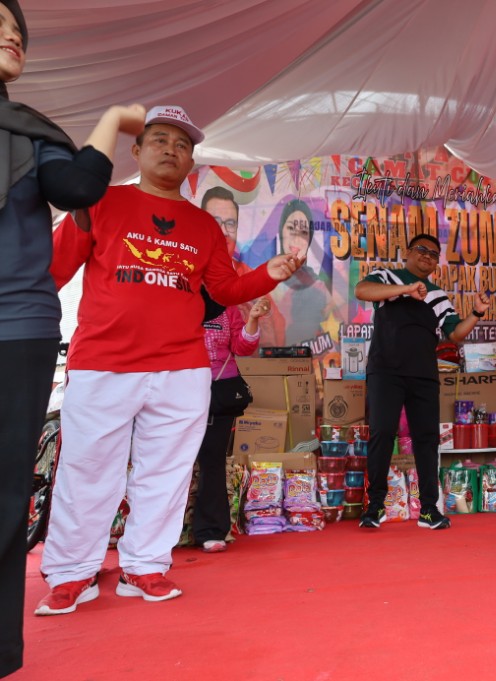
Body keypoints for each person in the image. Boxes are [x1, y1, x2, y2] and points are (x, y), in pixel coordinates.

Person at [35, 105, 303, 616]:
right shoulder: (100, 201)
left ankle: (144, 566)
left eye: (182, 145)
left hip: (182, 368)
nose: (171, 150)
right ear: (136, 150)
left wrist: (267, 273)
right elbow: (52, 268)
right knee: (87, 469)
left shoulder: (204, 226)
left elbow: (224, 291)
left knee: (167, 472)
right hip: (103, 362)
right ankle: (72, 573)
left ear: (191, 161)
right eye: (159, 140)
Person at [0, 2, 146, 673]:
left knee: (6, 491)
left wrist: (113, 119)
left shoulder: (30, 132)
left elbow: (80, 186)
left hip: (15, 326)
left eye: (18, 30)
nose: (12, 36)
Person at [355, 233, 489, 530]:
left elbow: (455, 333)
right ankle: (375, 506)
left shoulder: (438, 295)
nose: (428, 256)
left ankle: (429, 509)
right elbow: (361, 290)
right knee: (382, 434)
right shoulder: (387, 277)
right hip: (386, 371)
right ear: (407, 252)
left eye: (433, 253)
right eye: (422, 250)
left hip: (424, 375)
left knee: (427, 440)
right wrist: (406, 289)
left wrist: (476, 313)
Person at [191, 289, 271, 551]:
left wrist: (253, 319)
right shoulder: (174, 304)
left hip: (219, 393)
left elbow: (242, 347)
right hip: (178, 390)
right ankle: (162, 533)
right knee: (169, 463)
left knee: (212, 461)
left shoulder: (227, 309)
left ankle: (211, 530)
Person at [200, 186, 286, 345]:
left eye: (230, 223)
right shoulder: (185, 271)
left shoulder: (250, 277)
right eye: (215, 222)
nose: (223, 231)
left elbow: (276, 335)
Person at [272, 198, 336, 345]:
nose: (297, 238)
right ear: (281, 231)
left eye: (303, 232)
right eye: (291, 228)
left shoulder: (319, 287)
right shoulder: (265, 280)